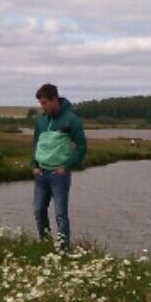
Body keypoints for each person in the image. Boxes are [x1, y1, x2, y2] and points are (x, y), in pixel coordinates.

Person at [30, 83, 87, 248]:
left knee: (60, 215)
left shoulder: (71, 120)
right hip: (41, 174)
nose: (42, 106)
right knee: (39, 211)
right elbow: (36, 144)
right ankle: (45, 244)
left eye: (45, 103)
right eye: (41, 103)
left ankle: (63, 249)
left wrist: (66, 167)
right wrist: (34, 165)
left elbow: (82, 147)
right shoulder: (41, 121)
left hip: (59, 175)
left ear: (54, 100)